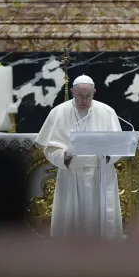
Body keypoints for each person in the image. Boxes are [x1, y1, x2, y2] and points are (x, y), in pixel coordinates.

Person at [35, 74, 124, 238]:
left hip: (101, 175)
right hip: (72, 174)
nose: (84, 101)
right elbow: (49, 148)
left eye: (88, 96)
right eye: (79, 96)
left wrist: (109, 156)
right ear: (72, 92)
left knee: (101, 222)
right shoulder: (59, 112)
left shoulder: (106, 111)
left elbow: (118, 145)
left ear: (94, 92)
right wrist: (64, 156)